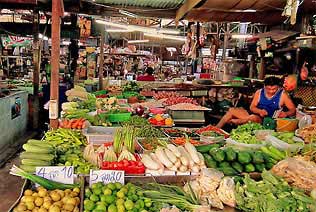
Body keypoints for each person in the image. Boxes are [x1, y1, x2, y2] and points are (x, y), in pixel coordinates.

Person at [216, 76, 296, 128]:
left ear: (278, 87)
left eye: (274, 89)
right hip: (254, 116)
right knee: (232, 110)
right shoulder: (259, 92)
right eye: (268, 89)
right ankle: (216, 128)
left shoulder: (283, 95)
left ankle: (236, 122)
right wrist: (260, 111)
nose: (271, 91)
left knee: (253, 118)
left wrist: (285, 114)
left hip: (268, 122)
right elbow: (252, 107)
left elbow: (293, 110)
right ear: (264, 86)